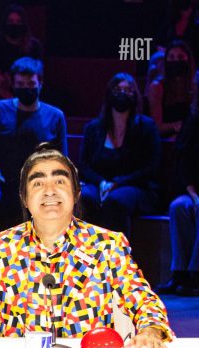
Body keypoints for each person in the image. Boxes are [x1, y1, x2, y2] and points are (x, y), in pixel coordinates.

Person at [0, 145, 172, 348]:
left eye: (59, 181)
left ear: (76, 193)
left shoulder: (107, 246)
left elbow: (144, 300)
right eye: (38, 183)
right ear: (24, 198)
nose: (49, 191)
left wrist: (151, 330)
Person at [0, 57, 66, 285]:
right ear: (13, 84)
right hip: (0, 183)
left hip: (36, 186)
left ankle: (54, 264)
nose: (26, 89)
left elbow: (61, 162)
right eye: (21, 84)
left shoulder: (55, 116)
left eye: (31, 84)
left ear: (40, 83)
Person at [78, 73, 161, 237]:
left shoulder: (146, 127)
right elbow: (84, 165)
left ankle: (116, 252)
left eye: (128, 90)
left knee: (116, 201)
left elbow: (151, 167)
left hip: (137, 186)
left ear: (135, 96)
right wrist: (102, 183)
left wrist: (118, 183)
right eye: (117, 90)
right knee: (85, 198)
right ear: (109, 94)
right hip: (100, 184)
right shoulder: (93, 129)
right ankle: (87, 249)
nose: (122, 94)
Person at [166, 98, 199, 295]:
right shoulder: (193, 122)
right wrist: (193, 194)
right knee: (178, 207)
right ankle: (180, 273)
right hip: (192, 190)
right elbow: (184, 164)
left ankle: (195, 275)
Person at [148, 40, 195, 140]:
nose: (176, 61)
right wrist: (180, 126)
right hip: (166, 141)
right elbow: (156, 127)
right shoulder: (157, 87)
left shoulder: (194, 85)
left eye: (180, 57)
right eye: (172, 57)